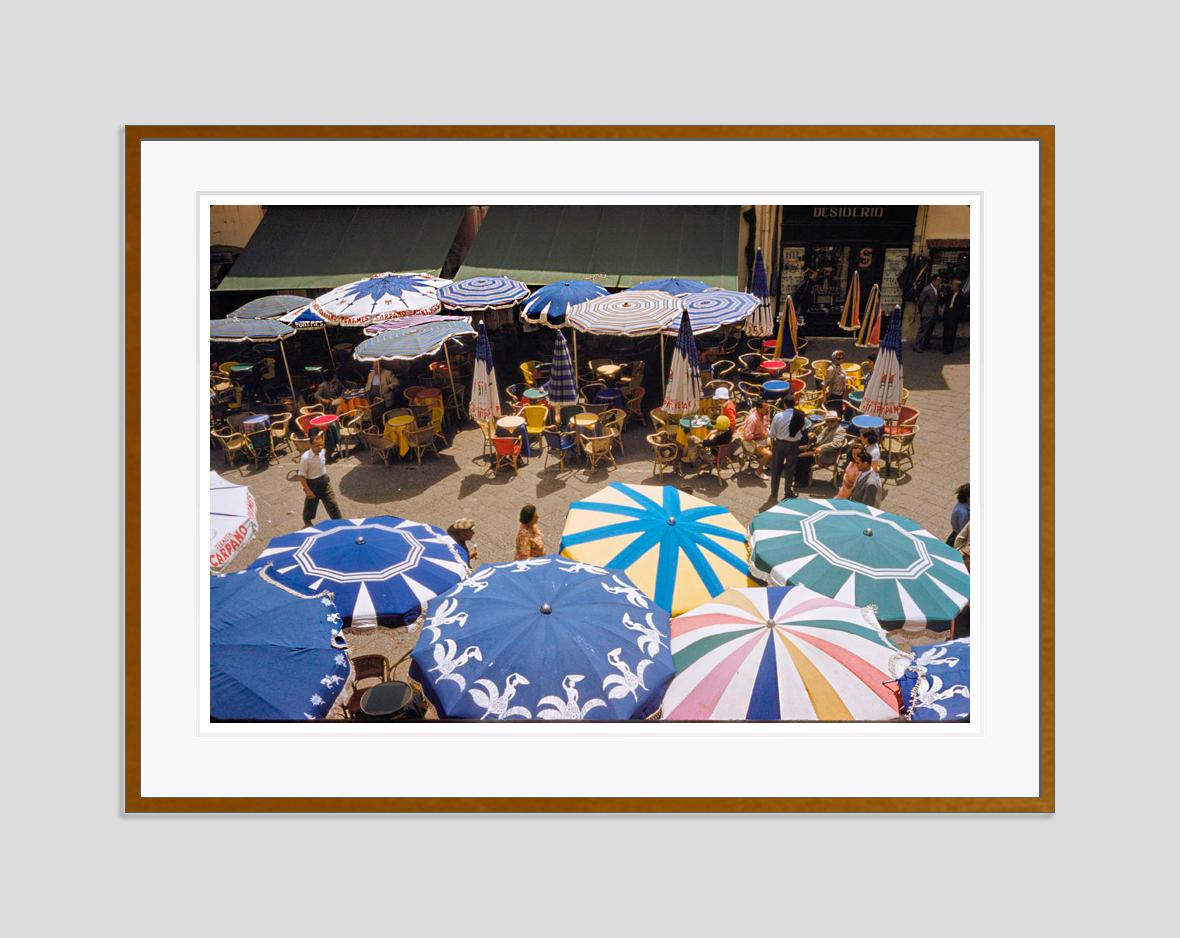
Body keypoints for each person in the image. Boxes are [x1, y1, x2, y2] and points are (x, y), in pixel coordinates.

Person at [297, 429, 342, 525]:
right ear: (311, 445)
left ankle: (339, 522)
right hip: (313, 484)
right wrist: (307, 490)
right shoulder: (305, 458)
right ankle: (307, 521)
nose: (320, 447)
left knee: (332, 503)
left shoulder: (323, 452)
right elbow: (301, 476)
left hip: (325, 481)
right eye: (317, 446)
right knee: (311, 505)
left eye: (321, 445)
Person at [796, 410, 847, 486]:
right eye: (827, 421)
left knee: (801, 457)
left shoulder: (840, 430)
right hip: (817, 449)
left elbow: (837, 443)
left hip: (827, 454)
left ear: (837, 420)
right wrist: (813, 436)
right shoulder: (826, 428)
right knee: (796, 450)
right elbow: (818, 439)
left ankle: (803, 481)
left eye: (832, 421)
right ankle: (798, 477)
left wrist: (822, 447)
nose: (829, 423)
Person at [768, 402, 807, 502]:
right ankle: (788, 492)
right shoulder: (800, 415)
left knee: (776, 469)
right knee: (790, 470)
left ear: (784, 404)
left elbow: (772, 434)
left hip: (779, 444)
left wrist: (773, 446)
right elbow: (803, 429)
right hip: (793, 445)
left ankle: (774, 492)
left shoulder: (778, 416)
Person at [740, 400, 773, 479]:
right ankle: (758, 471)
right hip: (753, 442)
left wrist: (768, 432)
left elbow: (767, 424)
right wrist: (760, 436)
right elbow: (747, 436)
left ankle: (767, 462)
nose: (768, 411)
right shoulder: (753, 420)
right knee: (768, 454)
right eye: (766, 409)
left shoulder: (765, 414)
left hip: (763, 438)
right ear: (759, 409)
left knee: (777, 442)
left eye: (768, 408)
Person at [915, 274, 942, 352]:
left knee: (929, 330)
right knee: (923, 330)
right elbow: (920, 302)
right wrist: (922, 311)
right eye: (938, 281)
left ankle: (926, 344)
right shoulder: (926, 289)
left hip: (933, 314)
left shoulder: (937, 289)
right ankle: (917, 345)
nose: (939, 283)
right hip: (927, 313)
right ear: (933, 281)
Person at [942, 277, 968, 354]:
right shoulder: (950, 293)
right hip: (948, 314)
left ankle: (949, 348)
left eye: (953, 285)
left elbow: (962, 307)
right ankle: (944, 346)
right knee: (946, 331)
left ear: (957, 286)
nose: (952, 286)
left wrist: (959, 316)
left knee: (951, 332)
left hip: (954, 316)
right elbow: (946, 301)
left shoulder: (961, 295)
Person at [825, 349, 848, 416]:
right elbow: (825, 382)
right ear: (834, 358)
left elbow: (841, 376)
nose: (841, 360)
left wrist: (849, 378)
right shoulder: (831, 369)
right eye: (838, 359)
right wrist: (824, 396)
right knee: (835, 413)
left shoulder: (840, 367)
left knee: (839, 412)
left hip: (840, 393)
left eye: (842, 358)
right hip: (834, 394)